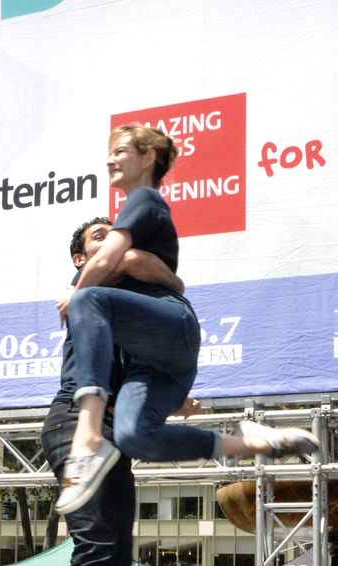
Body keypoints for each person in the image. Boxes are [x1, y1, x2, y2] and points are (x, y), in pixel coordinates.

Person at [0, 216, 197, 566]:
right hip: (74, 427)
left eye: (114, 231)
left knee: (115, 561)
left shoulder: (127, 307)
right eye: (98, 237)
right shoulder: (94, 288)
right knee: (97, 548)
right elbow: (134, 259)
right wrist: (171, 279)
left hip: (110, 439)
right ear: (82, 259)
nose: (114, 241)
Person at [55, 124, 320, 514]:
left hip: (172, 327)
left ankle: (87, 436)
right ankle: (255, 442)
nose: (111, 159)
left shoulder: (144, 197)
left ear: (148, 159)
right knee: (134, 436)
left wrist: (76, 294)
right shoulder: (126, 225)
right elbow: (126, 264)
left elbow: (118, 259)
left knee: (87, 300)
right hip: (155, 366)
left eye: (121, 151)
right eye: (110, 152)